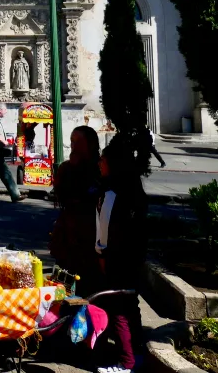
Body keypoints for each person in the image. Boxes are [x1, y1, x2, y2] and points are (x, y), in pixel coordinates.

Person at [93, 138, 148, 373]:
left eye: (102, 160)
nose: (99, 164)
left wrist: (101, 253)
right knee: (131, 305)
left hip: (115, 257)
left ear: (111, 163)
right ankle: (137, 353)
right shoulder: (133, 190)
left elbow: (103, 229)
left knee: (118, 309)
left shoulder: (111, 192)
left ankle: (125, 362)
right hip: (133, 256)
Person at [49, 125, 101, 292]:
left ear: (91, 144)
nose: (73, 146)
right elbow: (61, 196)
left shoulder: (99, 168)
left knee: (89, 284)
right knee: (63, 282)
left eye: (78, 142)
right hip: (68, 234)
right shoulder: (66, 168)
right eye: (72, 141)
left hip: (91, 236)